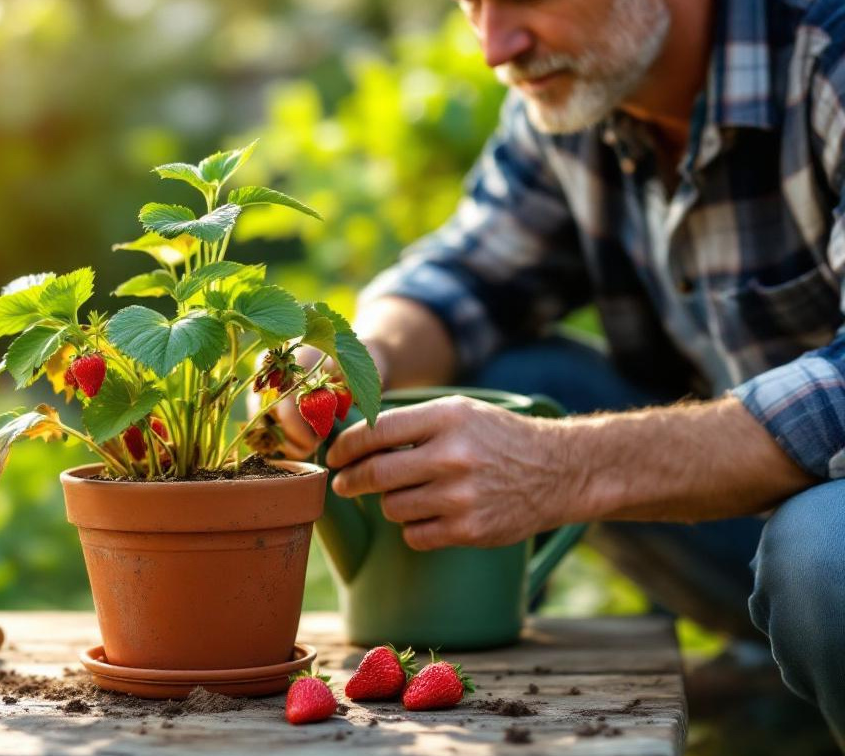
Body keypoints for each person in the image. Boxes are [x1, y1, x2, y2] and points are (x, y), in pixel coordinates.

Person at [264, 0, 845, 745]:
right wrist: (351, 361)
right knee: (505, 373)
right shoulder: (586, 91)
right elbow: (465, 278)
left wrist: (565, 467)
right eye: (474, 3)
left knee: (823, 552)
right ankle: (787, 666)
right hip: (747, 519)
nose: (494, 47)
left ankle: (803, 648)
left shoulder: (826, 51)